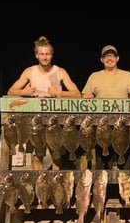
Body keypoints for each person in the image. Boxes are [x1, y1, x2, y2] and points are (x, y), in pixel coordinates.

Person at [7, 35, 81, 170]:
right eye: (41, 54)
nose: (45, 57)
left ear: (51, 55)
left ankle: (55, 187)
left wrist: (59, 93)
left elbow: (77, 93)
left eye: (47, 54)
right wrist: (25, 92)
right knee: (37, 156)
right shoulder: (30, 72)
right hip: (37, 121)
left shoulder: (60, 72)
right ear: (36, 55)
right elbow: (11, 91)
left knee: (56, 155)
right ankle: (40, 186)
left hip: (56, 120)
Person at [82, 45, 130, 169]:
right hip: (102, 127)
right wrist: (87, 96)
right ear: (101, 60)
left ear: (117, 58)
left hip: (122, 126)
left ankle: (125, 188)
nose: (109, 58)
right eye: (106, 56)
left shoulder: (127, 75)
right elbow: (85, 95)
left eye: (112, 55)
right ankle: (104, 188)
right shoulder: (94, 76)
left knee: (125, 164)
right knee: (102, 164)